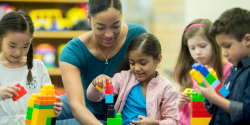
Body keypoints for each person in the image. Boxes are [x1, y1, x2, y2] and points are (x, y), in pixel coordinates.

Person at [57, 0, 147, 124]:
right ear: (88, 17)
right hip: (85, 106)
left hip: (122, 113)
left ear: (122, 16)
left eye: (116, 26)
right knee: (41, 113)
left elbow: (151, 81)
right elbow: (77, 106)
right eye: (100, 27)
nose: (109, 34)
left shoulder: (137, 36)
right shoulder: (72, 52)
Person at [87, 33, 179, 125]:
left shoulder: (167, 88)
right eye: (132, 63)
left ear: (158, 60)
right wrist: (96, 85)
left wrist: (155, 123)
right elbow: (94, 97)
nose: (136, 68)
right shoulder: (123, 78)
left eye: (143, 63)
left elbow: (173, 121)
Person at [0, 10, 63, 124]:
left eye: (25, 46)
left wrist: (53, 106)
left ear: (31, 39)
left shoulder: (37, 66)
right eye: (12, 45)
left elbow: (48, 97)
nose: (18, 52)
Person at [196, 7, 250, 125]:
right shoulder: (234, 70)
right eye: (221, 47)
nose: (224, 52)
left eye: (227, 46)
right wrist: (211, 95)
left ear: (247, 40)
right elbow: (222, 104)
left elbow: (246, 112)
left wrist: (215, 98)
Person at [173, 19, 232, 125]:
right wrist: (180, 102)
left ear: (214, 43)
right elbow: (177, 109)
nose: (197, 52)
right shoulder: (185, 70)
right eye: (192, 48)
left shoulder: (227, 70)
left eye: (203, 46)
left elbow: (227, 100)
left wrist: (211, 85)